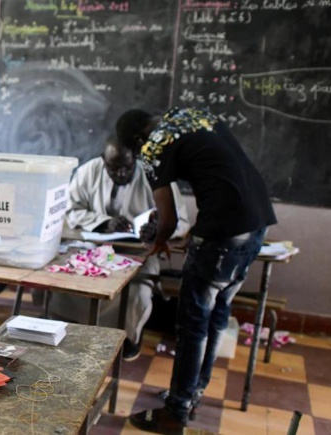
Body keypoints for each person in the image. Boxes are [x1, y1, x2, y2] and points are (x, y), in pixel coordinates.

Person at [117, 107, 277, 433]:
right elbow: (220, 174)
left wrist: (161, 241)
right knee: (218, 312)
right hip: (257, 223)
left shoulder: (153, 147)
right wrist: (199, 230)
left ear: (137, 140)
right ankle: (190, 395)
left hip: (223, 232)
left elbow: (169, 217)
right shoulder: (191, 115)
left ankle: (175, 413)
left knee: (192, 324)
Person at [52, 135, 190, 361]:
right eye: (113, 169)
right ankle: (74, 331)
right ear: (103, 161)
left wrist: (158, 229)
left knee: (138, 293)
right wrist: (104, 221)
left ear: (135, 159)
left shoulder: (155, 175)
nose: (120, 174)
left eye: (126, 168)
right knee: (63, 285)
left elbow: (180, 220)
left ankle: (128, 338)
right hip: (94, 249)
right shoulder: (89, 172)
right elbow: (70, 209)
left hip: (140, 253)